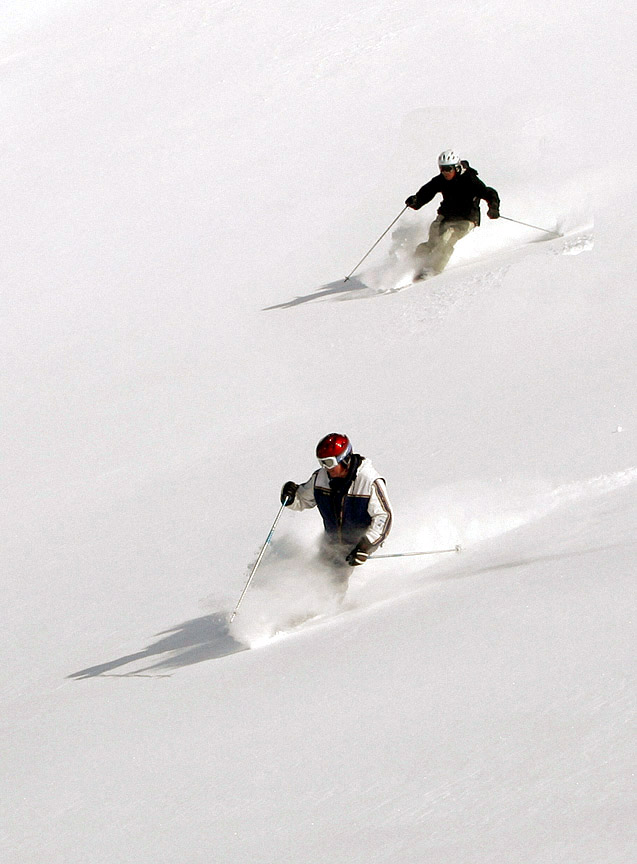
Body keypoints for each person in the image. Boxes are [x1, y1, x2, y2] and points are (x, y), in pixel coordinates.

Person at [280, 433, 393, 585]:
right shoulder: (321, 478)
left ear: (344, 459)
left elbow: (383, 517)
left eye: (329, 462)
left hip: (360, 549)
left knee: (339, 582)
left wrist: (365, 546)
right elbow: (302, 501)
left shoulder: (368, 481)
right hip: (333, 546)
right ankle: (315, 607)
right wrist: (290, 496)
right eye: (322, 463)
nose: (326, 468)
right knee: (315, 579)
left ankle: (347, 607)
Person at [405, 149, 500, 277]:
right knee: (432, 242)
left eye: (448, 169)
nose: (445, 172)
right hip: (446, 215)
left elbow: (489, 193)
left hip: (467, 218)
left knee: (446, 239)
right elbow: (427, 191)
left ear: (456, 167)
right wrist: (416, 201)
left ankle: (432, 271)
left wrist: (493, 208)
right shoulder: (441, 180)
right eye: (442, 169)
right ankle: (412, 266)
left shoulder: (470, 179)